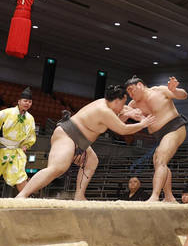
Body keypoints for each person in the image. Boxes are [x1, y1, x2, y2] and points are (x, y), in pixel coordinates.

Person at [16, 84, 153, 200]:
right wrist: (142, 124)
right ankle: (22, 195)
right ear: (117, 101)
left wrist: (132, 113)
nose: (123, 106)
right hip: (67, 135)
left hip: (80, 140)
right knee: (57, 168)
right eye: (123, 103)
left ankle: (79, 196)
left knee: (92, 161)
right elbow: (122, 129)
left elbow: (122, 114)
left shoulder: (106, 104)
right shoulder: (104, 110)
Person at [124, 75, 188, 203]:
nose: (130, 94)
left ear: (140, 85)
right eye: (128, 92)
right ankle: (169, 197)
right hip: (159, 135)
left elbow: (184, 95)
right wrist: (128, 114)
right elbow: (121, 119)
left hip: (175, 128)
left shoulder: (160, 91)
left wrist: (175, 90)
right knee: (158, 161)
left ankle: (155, 196)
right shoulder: (133, 104)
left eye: (131, 89)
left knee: (160, 159)